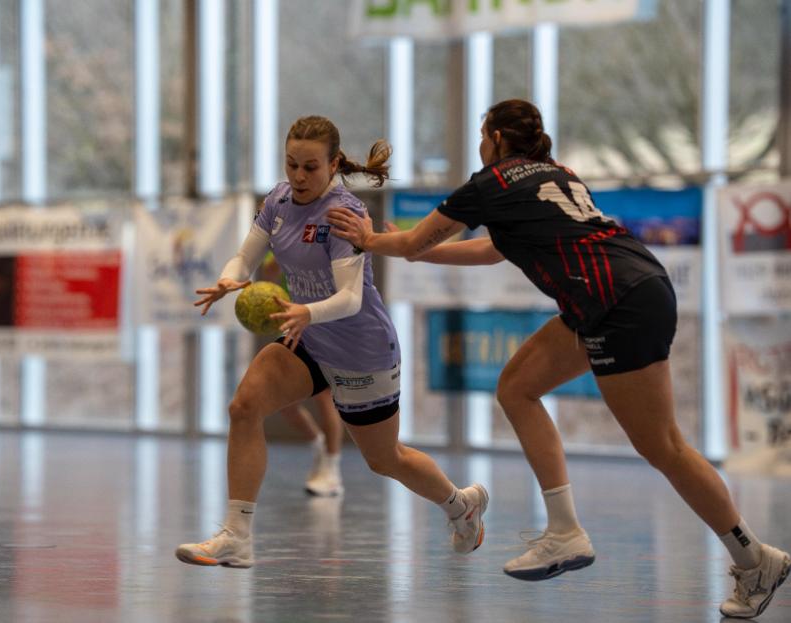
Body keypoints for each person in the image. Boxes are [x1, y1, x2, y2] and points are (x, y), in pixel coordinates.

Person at [327, 99, 790, 620]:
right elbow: (491, 251)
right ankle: (564, 528)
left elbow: (414, 240)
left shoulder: (491, 182)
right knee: (517, 388)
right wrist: (407, 247)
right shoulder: (556, 173)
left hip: (615, 300)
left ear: (496, 138)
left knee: (663, 446)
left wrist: (371, 239)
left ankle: (754, 559)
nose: (479, 145)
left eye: (482, 135)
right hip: (629, 287)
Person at [175, 115, 488, 568]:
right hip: (309, 338)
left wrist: (306, 311)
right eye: (291, 164)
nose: (299, 176)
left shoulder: (345, 215)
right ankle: (236, 536)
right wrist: (229, 279)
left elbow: (349, 299)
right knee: (244, 406)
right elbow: (245, 256)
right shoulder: (278, 201)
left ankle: (461, 505)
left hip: (361, 349)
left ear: (334, 164)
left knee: (385, 459)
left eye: (310, 167)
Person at [259, 254, 344, 497]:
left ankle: (332, 469)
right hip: (296, 328)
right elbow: (269, 275)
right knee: (285, 403)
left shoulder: (324, 243)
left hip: (327, 326)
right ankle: (319, 445)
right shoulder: (281, 243)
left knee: (324, 397)